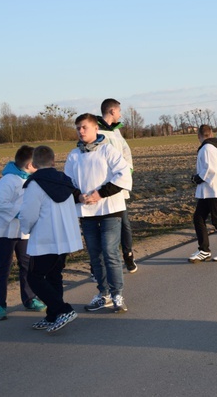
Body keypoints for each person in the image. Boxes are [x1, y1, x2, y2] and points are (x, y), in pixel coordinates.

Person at [65, 113, 132, 314]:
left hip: (110, 209)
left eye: (84, 127)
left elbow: (123, 174)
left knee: (110, 251)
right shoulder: (74, 155)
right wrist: (78, 195)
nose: (80, 131)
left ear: (96, 129)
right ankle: (103, 294)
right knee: (95, 254)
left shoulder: (108, 150)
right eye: (78, 128)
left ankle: (117, 294)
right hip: (87, 211)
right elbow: (67, 181)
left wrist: (100, 194)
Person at [19, 145, 82, 333]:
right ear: (53, 161)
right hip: (65, 238)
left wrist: (26, 229)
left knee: (34, 277)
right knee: (54, 276)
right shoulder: (65, 182)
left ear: (34, 164)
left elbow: (29, 214)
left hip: (46, 238)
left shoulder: (35, 184)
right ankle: (53, 315)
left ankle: (64, 310)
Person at [0, 145, 45, 321]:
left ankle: (29, 299)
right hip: (2, 231)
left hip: (22, 231)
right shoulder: (7, 181)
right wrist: (22, 214)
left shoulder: (31, 179)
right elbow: (0, 204)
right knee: (3, 268)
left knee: (27, 265)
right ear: (30, 164)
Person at [96, 98, 137, 273]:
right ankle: (98, 265)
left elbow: (126, 152)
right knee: (100, 227)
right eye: (119, 110)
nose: (120, 114)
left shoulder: (116, 131)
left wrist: (127, 172)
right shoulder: (96, 131)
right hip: (102, 187)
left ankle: (128, 256)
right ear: (112, 111)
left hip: (118, 186)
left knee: (124, 224)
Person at [189, 124, 217, 263]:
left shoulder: (207, 148)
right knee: (199, 218)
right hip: (209, 191)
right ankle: (204, 250)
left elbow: (211, 169)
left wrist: (197, 178)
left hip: (214, 190)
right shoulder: (213, 147)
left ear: (199, 136)